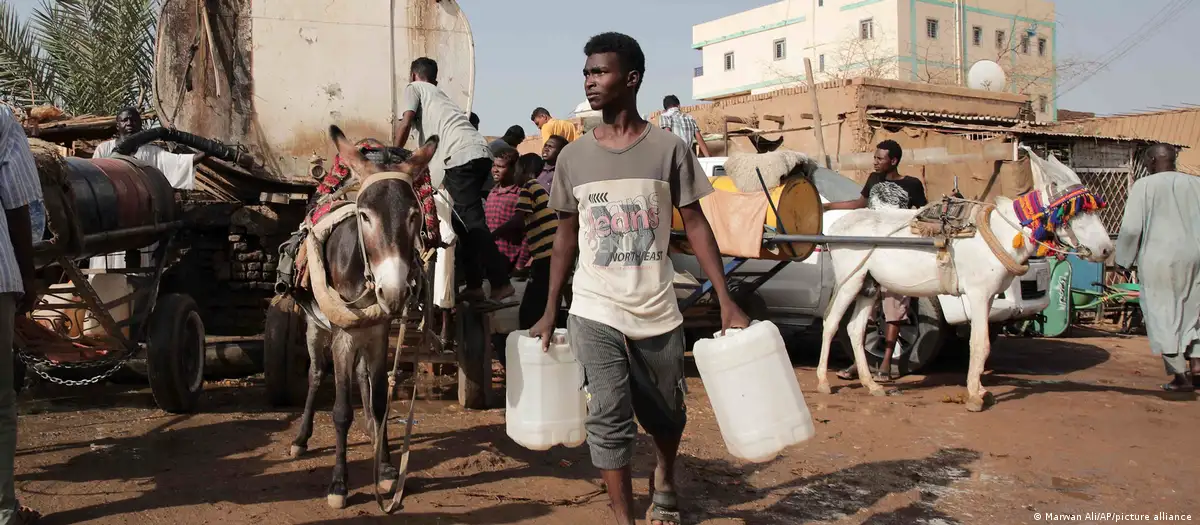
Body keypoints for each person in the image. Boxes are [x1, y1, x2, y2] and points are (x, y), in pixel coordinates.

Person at [529, 32, 749, 525]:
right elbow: (564, 238)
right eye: (586, 72)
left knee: (667, 413)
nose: (589, 81)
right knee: (608, 413)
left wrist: (727, 298)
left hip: (657, 306)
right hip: (594, 306)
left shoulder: (669, 149)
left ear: (632, 80)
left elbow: (695, 223)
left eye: (600, 72)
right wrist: (549, 310)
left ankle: (665, 475)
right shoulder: (572, 158)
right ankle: (625, 518)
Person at [394, 57, 514, 302]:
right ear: (435, 79)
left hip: (460, 157)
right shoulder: (440, 97)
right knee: (462, 223)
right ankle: (474, 285)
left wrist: (393, 158)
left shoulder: (414, 88)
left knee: (472, 221)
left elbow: (406, 121)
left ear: (413, 75)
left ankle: (501, 283)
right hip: (478, 153)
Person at [824, 139, 928, 382]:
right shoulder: (873, 180)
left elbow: (922, 213)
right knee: (865, 314)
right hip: (870, 256)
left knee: (894, 311)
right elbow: (859, 205)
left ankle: (886, 363)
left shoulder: (911, 184)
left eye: (880, 158)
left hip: (896, 256)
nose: (875, 161)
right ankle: (860, 363)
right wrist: (828, 207)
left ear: (893, 161)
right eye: (875, 157)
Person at [1115, 143, 1200, 392]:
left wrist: (1123, 261)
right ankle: (1197, 367)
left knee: (1163, 313)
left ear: (1151, 161)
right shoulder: (1196, 184)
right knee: (1193, 313)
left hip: (1160, 259)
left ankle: (1180, 376)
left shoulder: (1144, 186)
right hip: (1196, 257)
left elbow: (1131, 229)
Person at [1, 106, 44, 525]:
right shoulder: (0, 119)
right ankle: (2, 511)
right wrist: (28, 275)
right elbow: (19, 204)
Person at [484, 148, 526, 271]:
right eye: (494, 166)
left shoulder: (520, 195)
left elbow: (527, 234)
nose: (495, 170)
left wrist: (520, 264)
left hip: (510, 263)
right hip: (491, 260)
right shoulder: (492, 193)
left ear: (513, 170)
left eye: (501, 167)